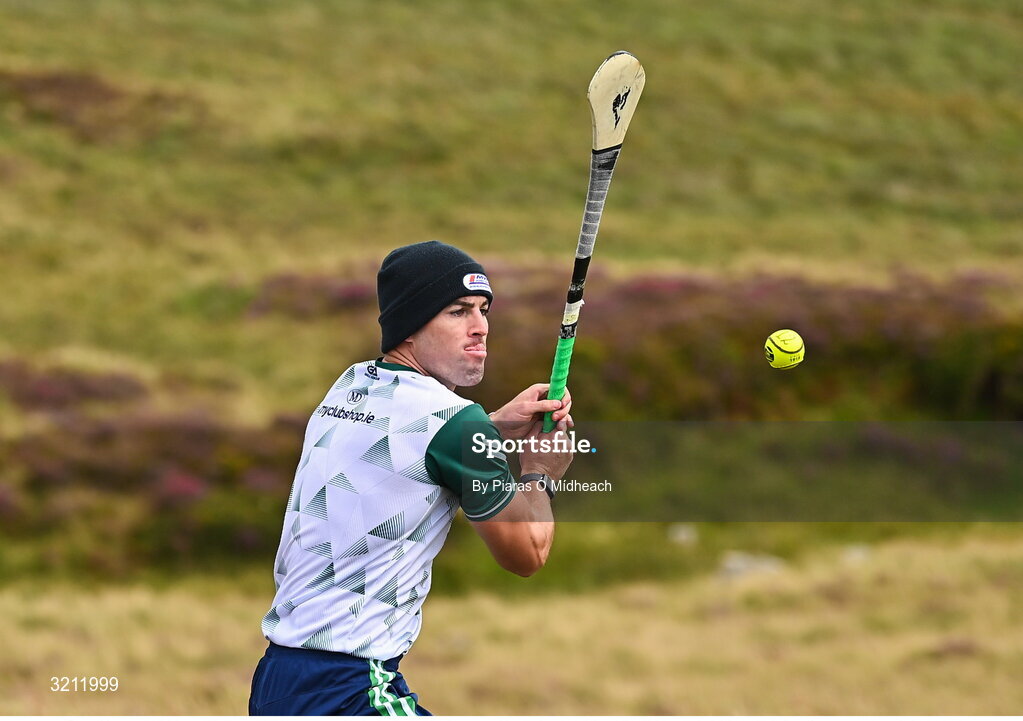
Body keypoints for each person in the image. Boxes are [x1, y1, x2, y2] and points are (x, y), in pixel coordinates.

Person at [249, 240, 574, 715]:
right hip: (353, 687)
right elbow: (526, 553)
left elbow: (403, 444)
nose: (480, 328)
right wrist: (540, 471)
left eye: (484, 310)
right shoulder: (455, 424)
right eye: (457, 311)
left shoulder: (351, 385)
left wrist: (491, 428)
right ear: (409, 326)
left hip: (278, 680)